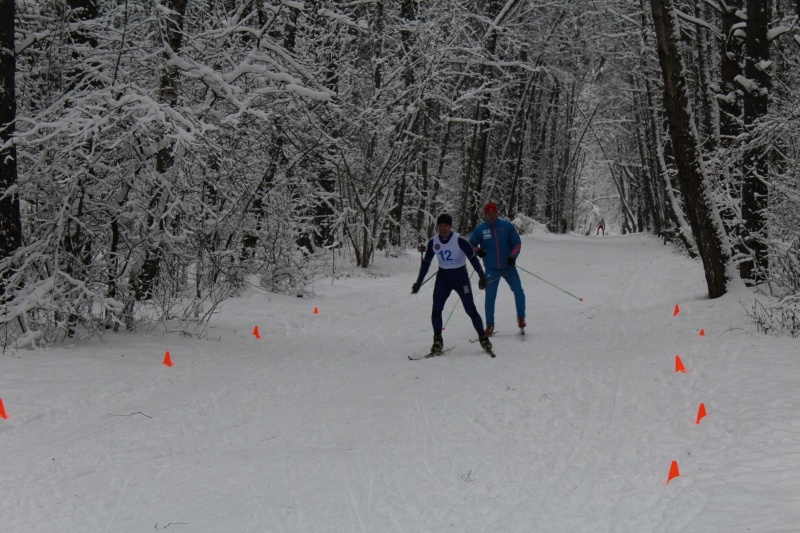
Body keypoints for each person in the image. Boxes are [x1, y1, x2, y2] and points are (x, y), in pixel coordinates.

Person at [412, 213, 493, 355]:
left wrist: (482, 276)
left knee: (470, 309)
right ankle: (437, 340)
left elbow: (473, 259)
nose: (443, 229)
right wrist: (419, 282)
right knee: (436, 310)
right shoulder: (433, 242)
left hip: (460, 278)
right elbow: (426, 263)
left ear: (451, 227)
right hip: (443, 278)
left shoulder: (460, 240)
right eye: (440, 226)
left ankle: (482, 337)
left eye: (446, 226)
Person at [468, 203, 526, 335]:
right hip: (491, 269)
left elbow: (516, 243)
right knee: (490, 297)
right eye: (489, 213)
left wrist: (513, 256)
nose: (491, 215)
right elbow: (470, 244)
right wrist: (478, 251)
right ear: (485, 215)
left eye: (493, 212)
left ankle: (521, 317)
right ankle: (489, 325)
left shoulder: (506, 226)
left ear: (497, 212)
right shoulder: (481, 229)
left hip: (508, 267)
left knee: (518, 291)